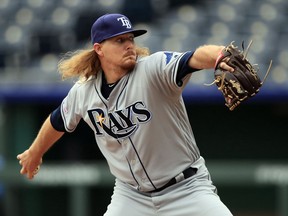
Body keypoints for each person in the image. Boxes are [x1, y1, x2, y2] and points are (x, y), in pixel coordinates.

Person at [17, 13, 234, 216]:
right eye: (119, 41)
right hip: (131, 196)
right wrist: (34, 153)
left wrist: (219, 55)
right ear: (99, 49)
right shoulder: (83, 92)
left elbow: (194, 58)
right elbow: (58, 121)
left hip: (186, 188)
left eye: (130, 38)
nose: (129, 45)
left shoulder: (153, 69)